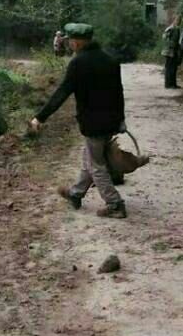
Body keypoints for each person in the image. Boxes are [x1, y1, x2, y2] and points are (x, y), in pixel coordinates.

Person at [30, 23, 127, 219]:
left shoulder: (78, 63)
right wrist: (121, 119)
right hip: (110, 121)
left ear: (77, 42)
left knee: (96, 165)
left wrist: (40, 117)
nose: (69, 44)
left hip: (93, 123)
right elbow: (119, 92)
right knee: (89, 158)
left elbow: (62, 92)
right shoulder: (110, 60)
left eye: (70, 41)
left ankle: (115, 203)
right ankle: (76, 193)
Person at [161, 15, 181, 89]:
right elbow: (164, 37)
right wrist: (171, 44)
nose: (179, 21)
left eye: (180, 20)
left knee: (174, 68)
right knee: (169, 68)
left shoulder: (177, 29)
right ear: (174, 20)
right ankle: (168, 84)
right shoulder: (171, 28)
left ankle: (173, 84)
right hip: (169, 51)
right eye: (177, 20)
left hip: (174, 50)